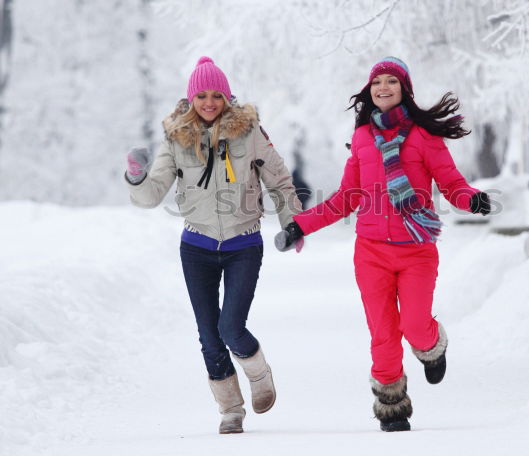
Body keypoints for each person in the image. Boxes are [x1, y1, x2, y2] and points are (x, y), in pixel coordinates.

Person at [275, 56, 490, 432]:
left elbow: (451, 184)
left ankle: (432, 345)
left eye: (391, 81)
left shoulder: (425, 137)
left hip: (416, 250)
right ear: (369, 90)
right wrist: (300, 226)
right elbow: (346, 197)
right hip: (371, 252)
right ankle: (392, 405)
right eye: (377, 82)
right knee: (383, 333)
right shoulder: (362, 139)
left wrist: (471, 198)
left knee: (414, 324)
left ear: (404, 89)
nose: (382, 88)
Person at [125, 56, 301, 434]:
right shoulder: (176, 137)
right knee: (208, 334)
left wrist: (293, 223)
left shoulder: (249, 131)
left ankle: (259, 373)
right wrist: (136, 177)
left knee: (231, 327)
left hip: (243, 243)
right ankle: (230, 409)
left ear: (226, 96)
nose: (209, 102)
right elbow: (151, 195)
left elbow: (280, 181)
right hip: (197, 246)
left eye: (216, 95)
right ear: (191, 99)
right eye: (201, 95)